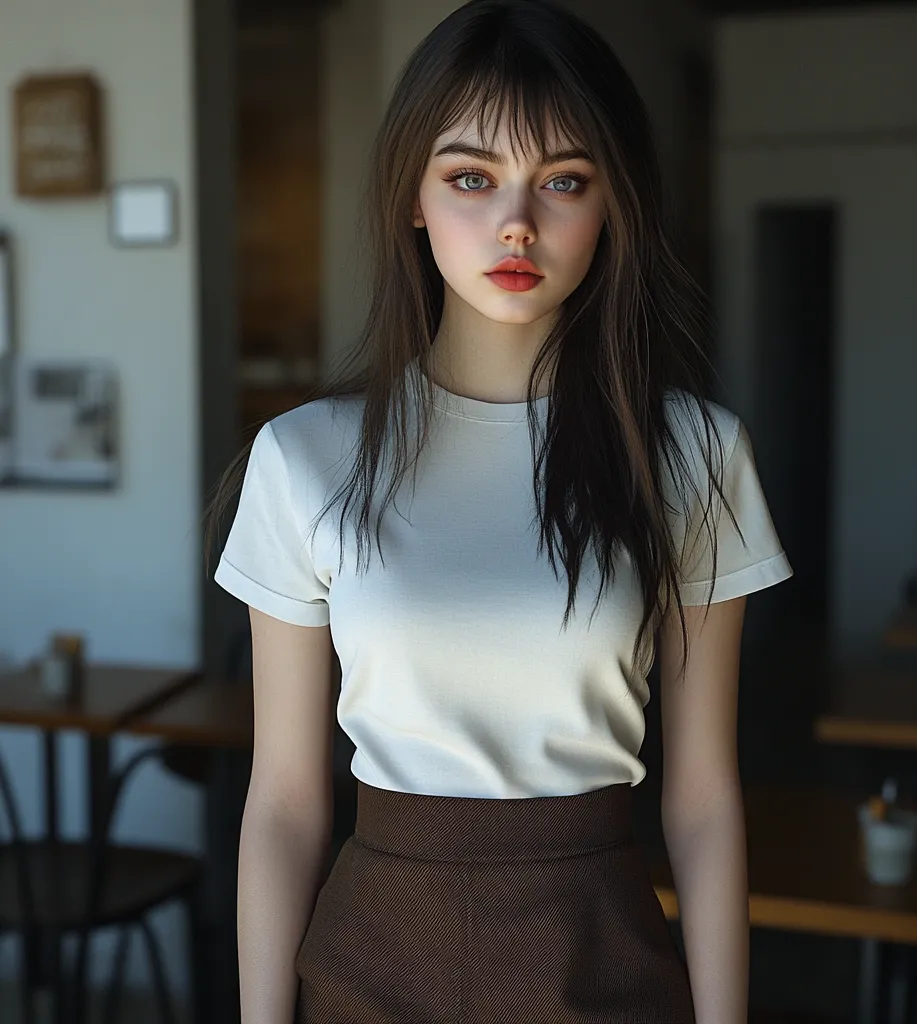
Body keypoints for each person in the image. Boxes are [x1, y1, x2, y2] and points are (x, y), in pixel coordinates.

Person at [206, 1, 793, 1021]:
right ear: (414, 200)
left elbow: (700, 799)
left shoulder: (694, 454)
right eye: (472, 177)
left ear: (611, 207)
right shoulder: (303, 459)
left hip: (600, 960)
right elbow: (287, 800)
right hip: (365, 964)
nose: (516, 223)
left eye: (563, 180)